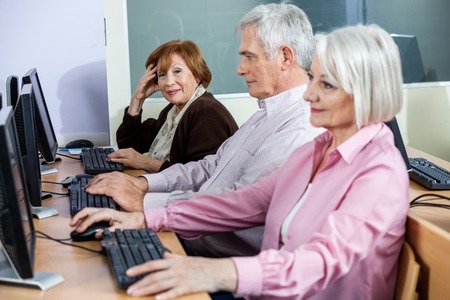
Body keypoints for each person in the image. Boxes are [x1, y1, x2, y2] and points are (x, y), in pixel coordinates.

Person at [71, 23, 410, 299]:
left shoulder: (379, 172)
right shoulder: (316, 151)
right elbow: (244, 203)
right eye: (313, 79)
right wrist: (148, 218)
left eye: (326, 84)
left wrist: (214, 273)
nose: (308, 94)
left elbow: (319, 262)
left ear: (366, 91)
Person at [82, 3, 322, 257]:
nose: (240, 69)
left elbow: (237, 202)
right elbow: (210, 167)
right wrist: (143, 184)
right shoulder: (264, 114)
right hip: (190, 237)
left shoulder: (299, 127)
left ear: (285, 57)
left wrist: (145, 203)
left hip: (216, 261)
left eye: (249, 56)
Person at [109, 40, 238, 173]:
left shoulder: (205, 112)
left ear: (197, 75)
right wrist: (137, 98)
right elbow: (129, 146)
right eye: (162, 75)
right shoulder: (173, 111)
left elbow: (199, 176)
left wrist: (144, 162)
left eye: (177, 71)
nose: (169, 82)